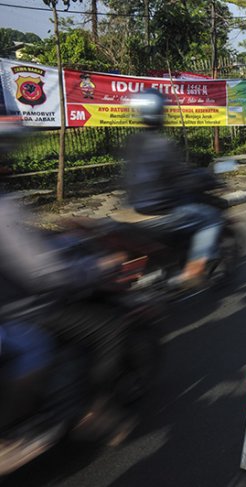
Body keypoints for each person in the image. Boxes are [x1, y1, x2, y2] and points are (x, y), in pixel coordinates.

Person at [0, 117, 129, 447]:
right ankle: (94, 412)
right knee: (110, 327)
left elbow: (23, 247)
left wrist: (61, 238)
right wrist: (97, 266)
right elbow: (44, 273)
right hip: (23, 309)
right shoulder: (4, 209)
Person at [124, 88, 223, 287]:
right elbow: (183, 178)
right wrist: (206, 180)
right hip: (160, 211)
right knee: (210, 218)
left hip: (133, 210)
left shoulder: (134, 141)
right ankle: (192, 271)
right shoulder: (163, 144)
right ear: (161, 112)